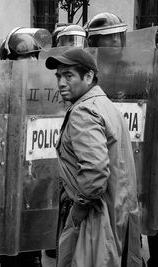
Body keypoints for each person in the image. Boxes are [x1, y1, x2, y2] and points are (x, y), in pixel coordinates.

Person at [45, 47, 142, 266]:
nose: (61, 83)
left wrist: (78, 211)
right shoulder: (104, 104)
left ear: (88, 76)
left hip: (94, 219)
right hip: (113, 213)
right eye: (59, 76)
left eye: (68, 75)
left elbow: (94, 172)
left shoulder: (84, 111)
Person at [0, 27, 42, 267]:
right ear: (10, 61)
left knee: (33, 244)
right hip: (8, 181)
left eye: (35, 56)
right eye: (27, 57)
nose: (33, 62)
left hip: (35, 178)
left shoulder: (44, 88)